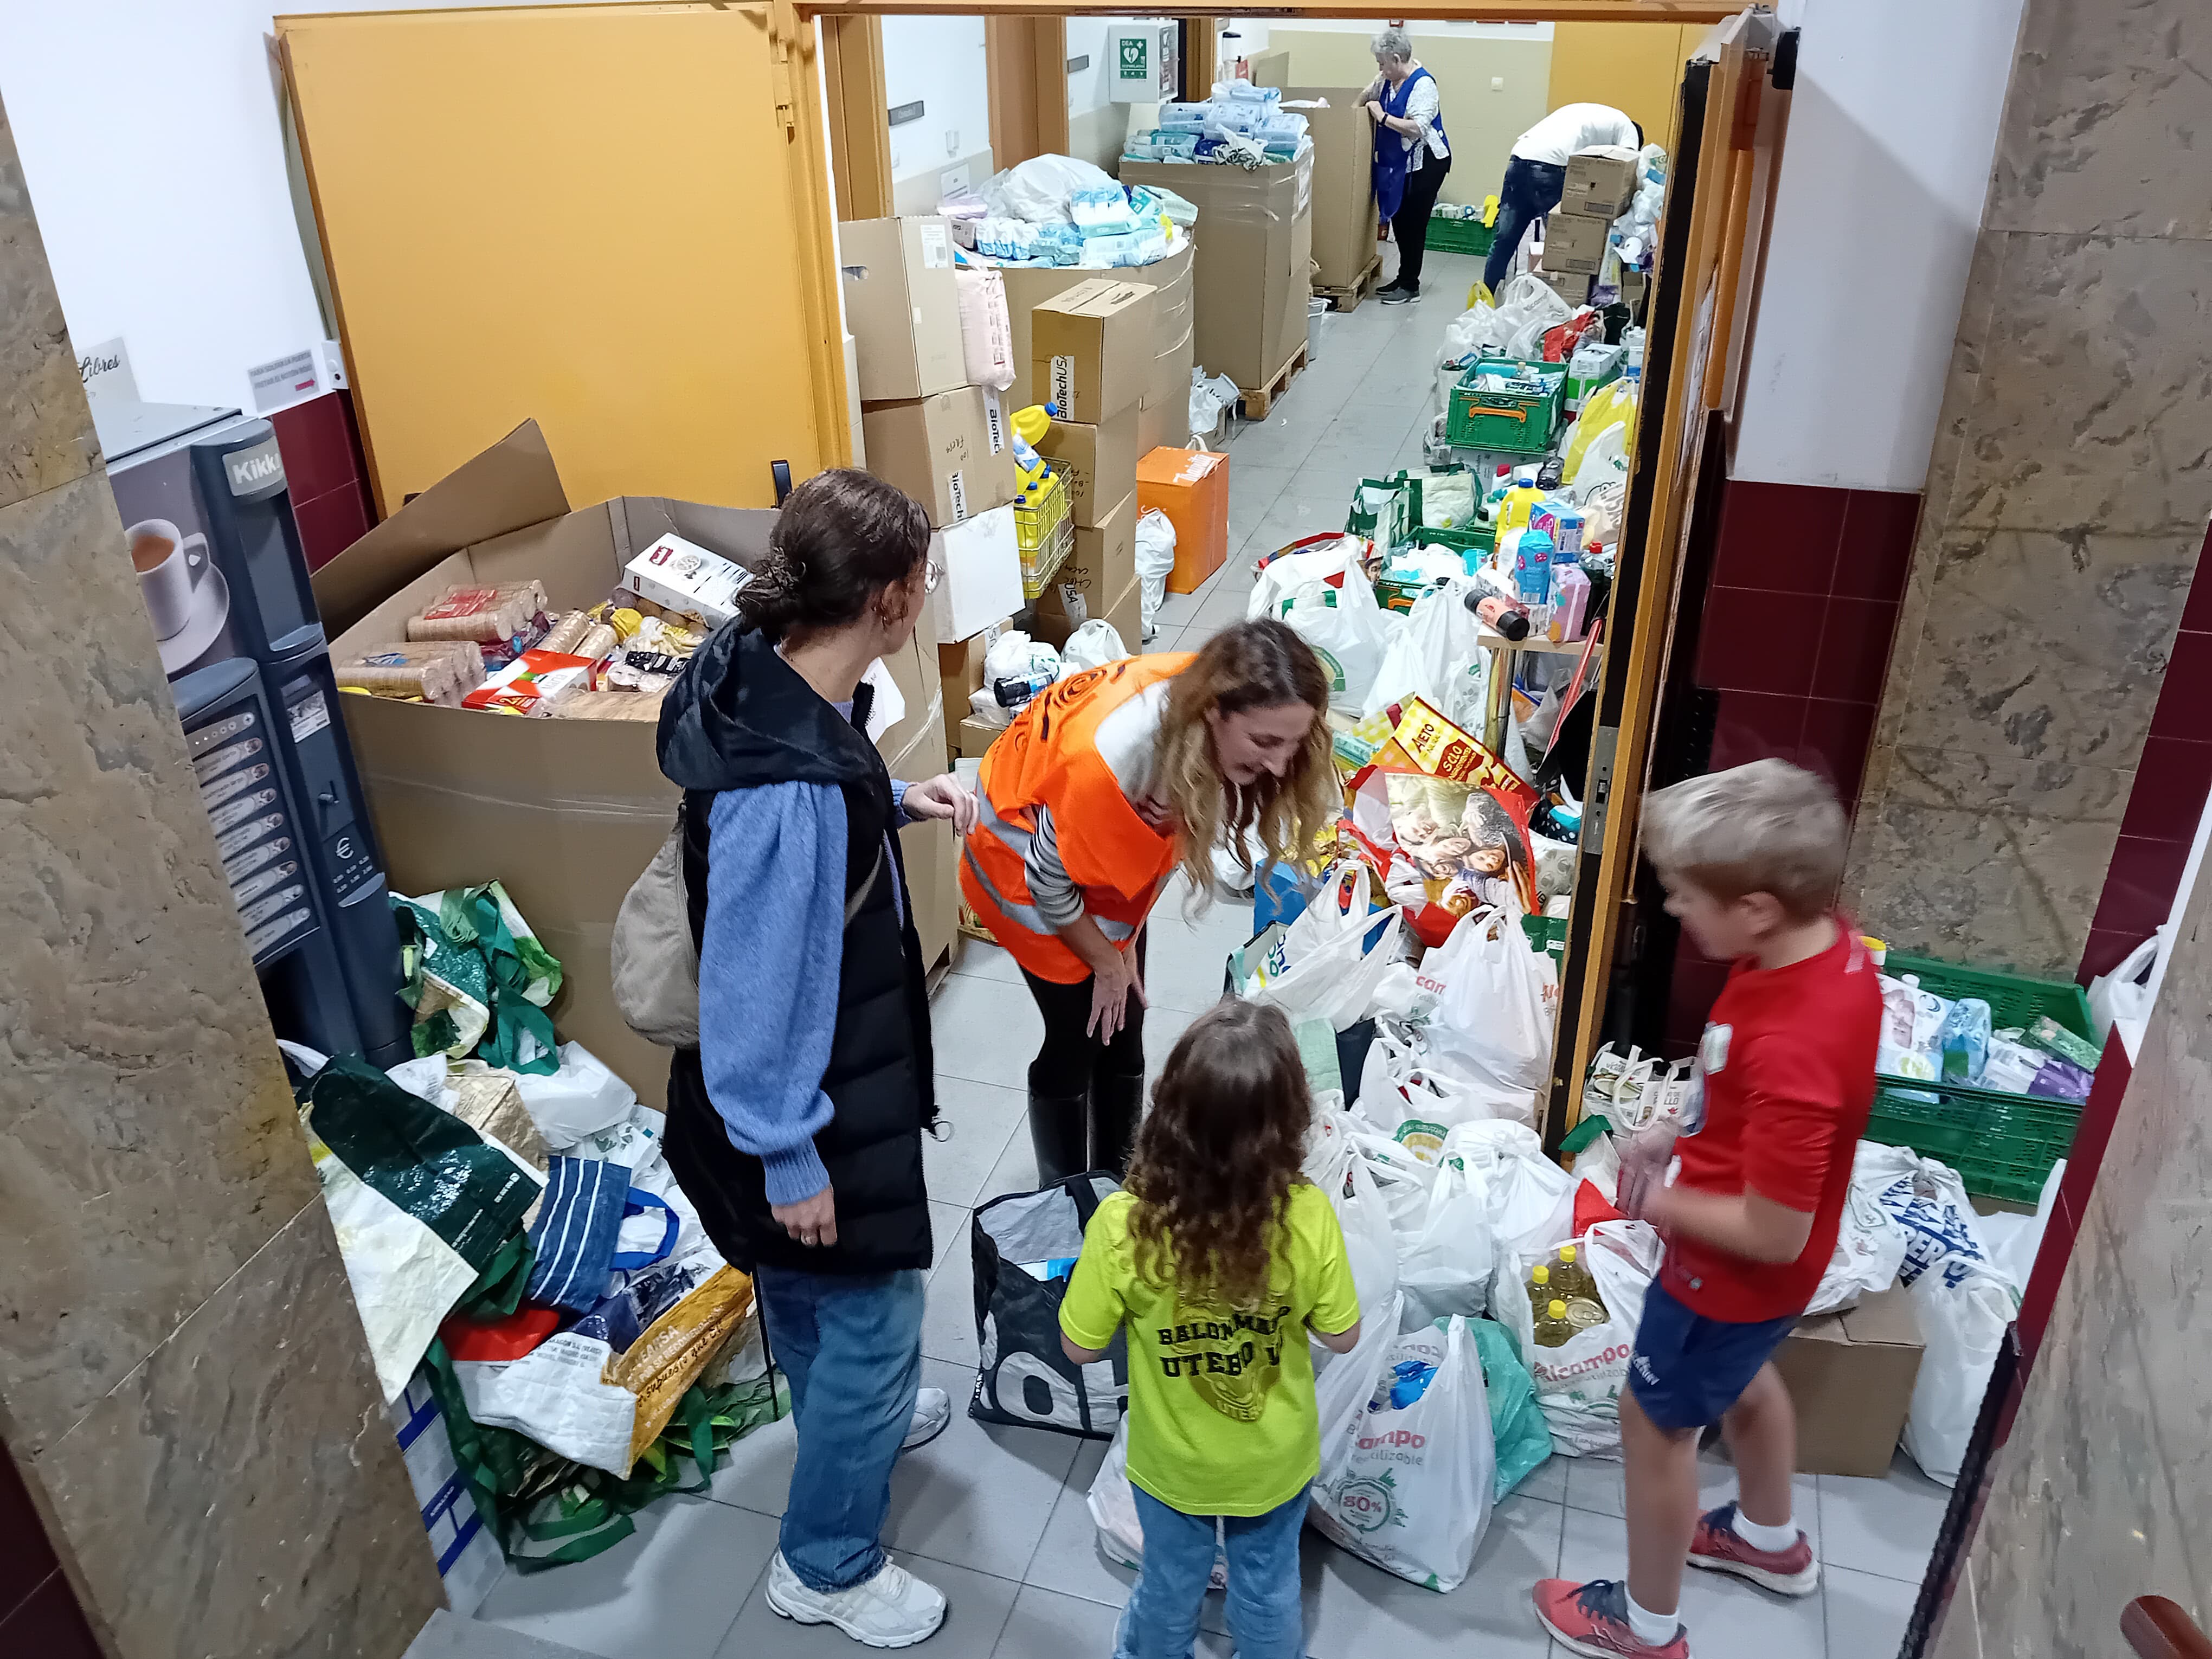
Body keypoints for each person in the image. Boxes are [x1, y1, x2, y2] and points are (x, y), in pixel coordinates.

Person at [657, 468, 980, 1650]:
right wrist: (789, 1153)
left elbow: (813, 818)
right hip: (802, 1110)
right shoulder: (782, 790)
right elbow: (751, 989)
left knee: (815, 1303)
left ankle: (862, 1418)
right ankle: (828, 1565)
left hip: (810, 1090)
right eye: (925, 581)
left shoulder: (766, 679)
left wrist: (894, 798)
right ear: (893, 598)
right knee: (877, 1318)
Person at [1532, 760, 1880, 1659]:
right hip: (1758, 1293)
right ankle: (1768, 1542)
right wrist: (1667, 1130)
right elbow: (1733, 1073)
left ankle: (1644, 1625)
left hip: (1723, 1274)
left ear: (1757, 906)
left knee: (1656, 1429)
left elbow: (1775, 1228)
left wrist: (1661, 1203)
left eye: (1685, 896)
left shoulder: (1799, 1044)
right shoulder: (1816, 952)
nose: (1675, 910)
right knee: (1747, 1384)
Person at [961, 621, 1337, 1186]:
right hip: (1016, 856)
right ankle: (1066, 1201)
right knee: (1079, 1036)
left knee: (1125, 1023)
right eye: (1265, 743)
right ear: (1215, 712)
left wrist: (1126, 939)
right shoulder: (1111, 762)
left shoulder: (1207, 694)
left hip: (1085, 847)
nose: (1283, 766)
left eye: (1293, 744)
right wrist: (1108, 960)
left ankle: (1115, 1181)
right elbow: (1048, 882)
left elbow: (1152, 851)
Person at [1058, 1000, 1362, 1659]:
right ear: (1289, 1122)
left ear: (1170, 1112)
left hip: (1174, 1462)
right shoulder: (1307, 1217)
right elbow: (1343, 1337)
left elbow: (1077, 1345)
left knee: (1170, 1585)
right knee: (1269, 1587)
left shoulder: (1122, 1226)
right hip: (1274, 1459)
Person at [1483, 102, 1644, 298]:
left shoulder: (1593, 114)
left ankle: (1485, 297)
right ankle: (1562, 299)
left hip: (1518, 160)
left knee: (1505, 239)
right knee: (1563, 244)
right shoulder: (1628, 128)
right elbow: (1625, 168)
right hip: (1550, 168)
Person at [1362, 26, 1452, 304]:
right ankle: (1403, 277)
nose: (1380, 69)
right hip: (1401, 163)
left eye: (1383, 63)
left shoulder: (1424, 85)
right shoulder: (1388, 79)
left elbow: (1417, 128)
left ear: (1398, 59)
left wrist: (1383, 116)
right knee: (1399, 217)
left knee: (1414, 222)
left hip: (1427, 162)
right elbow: (1367, 95)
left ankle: (1411, 285)